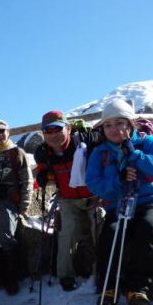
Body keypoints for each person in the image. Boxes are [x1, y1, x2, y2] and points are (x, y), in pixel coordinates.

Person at [85, 99, 153, 305]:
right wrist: (118, 179)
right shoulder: (101, 153)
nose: (114, 129)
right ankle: (109, 287)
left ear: (130, 123)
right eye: (108, 125)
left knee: (147, 227)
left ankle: (138, 289)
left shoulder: (148, 143)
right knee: (110, 233)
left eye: (119, 123)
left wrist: (136, 155)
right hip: (120, 206)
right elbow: (95, 185)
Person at [34, 111, 102, 291]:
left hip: (95, 196)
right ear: (43, 134)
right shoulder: (43, 153)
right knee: (67, 233)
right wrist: (42, 176)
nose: (53, 135)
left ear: (68, 128)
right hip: (68, 199)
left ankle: (102, 272)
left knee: (100, 228)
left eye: (57, 129)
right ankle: (65, 275)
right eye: (48, 131)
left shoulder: (85, 142)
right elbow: (41, 172)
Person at [0, 120, 32, 294]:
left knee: (7, 237)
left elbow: (26, 179)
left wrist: (25, 203)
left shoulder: (17, 153)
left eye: (1, 131)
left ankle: (12, 277)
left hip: (9, 201)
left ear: (8, 131)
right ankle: (0, 274)